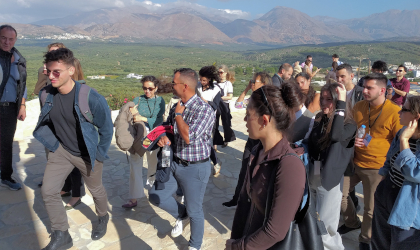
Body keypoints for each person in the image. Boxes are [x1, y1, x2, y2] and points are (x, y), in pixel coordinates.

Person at [33, 48, 113, 249]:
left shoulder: (90, 97)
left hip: (87, 153)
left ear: (70, 70)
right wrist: (53, 145)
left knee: (96, 190)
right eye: (48, 71)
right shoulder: (46, 94)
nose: (50, 76)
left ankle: (103, 217)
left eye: (56, 72)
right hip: (61, 151)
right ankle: (62, 235)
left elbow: (106, 128)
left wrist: (100, 155)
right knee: (49, 191)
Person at [226, 85, 306, 250]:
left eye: (248, 115)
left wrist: (238, 247)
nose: (245, 120)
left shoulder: (289, 166)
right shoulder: (257, 152)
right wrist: (235, 239)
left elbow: (274, 232)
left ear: (264, 120)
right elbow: (244, 204)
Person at [148, 68, 215, 250]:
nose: (171, 85)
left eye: (174, 83)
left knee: (195, 210)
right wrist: (165, 137)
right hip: (175, 163)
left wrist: (178, 115)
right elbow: (171, 130)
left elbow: (189, 137)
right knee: (156, 195)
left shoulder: (204, 110)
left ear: (184, 86)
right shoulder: (178, 105)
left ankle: (195, 245)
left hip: (195, 168)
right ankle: (181, 214)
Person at [339, 73, 403, 250]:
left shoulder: (394, 112)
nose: (364, 91)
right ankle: (352, 222)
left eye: (369, 88)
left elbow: (399, 142)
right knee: (338, 194)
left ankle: (365, 240)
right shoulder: (359, 106)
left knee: (370, 208)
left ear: (382, 90)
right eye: (364, 87)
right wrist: (353, 140)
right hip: (354, 162)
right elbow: (349, 129)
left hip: (377, 167)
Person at [307, 82, 357, 250]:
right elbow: (313, 143)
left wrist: (340, 105)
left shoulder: (349, 125)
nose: (324, 103)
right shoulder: (321, 118)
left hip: (331, 180)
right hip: (315, 174)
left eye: (329, 100)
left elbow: (336, 136)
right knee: (315, 218)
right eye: (322, 98)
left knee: (327, 225)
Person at [371, 96, 420, 250]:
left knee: (400, 244)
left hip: (408, 202)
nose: (399, 112)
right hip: (387, 192)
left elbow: (415, 172)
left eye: (404, 109)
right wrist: (383, 180)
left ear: (416, 116)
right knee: (379, 242)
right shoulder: (401, 132)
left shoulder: (403, 136)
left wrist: (404, 141)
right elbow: (389, 158)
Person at [223, 72, 272, 208]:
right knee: (244, 170)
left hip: (262, 142)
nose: (252, 83)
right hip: (251, 141)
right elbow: (238, 104)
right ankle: (237, 198)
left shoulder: (269, 101)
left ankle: (252, 203)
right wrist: (246, 89)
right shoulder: (252, 98)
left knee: (258, 174)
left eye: (254, 81)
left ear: (264, 84)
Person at [123, 75, 165, 208]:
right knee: (135, 165)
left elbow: (158, 120)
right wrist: (137, 117)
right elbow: (131, 118)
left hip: (152, 137)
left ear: (156, 88)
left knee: (152, 163)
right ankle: (133, 197)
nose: (147, 91)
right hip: (138, 136)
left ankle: (152, 190)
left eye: (150, 89)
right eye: (145, 88)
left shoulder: (160, 101)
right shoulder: (138, 100)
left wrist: (141, 117)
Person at [0, 24, 27, 191]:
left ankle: (6, 176)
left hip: (10, 108)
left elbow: (22, 84)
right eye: (3, 37)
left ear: (15, 40)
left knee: (6, 143)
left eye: (10, 39)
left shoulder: (19, 59)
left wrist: (22, 104)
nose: (7, 41)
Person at [336, 63, 364, 214]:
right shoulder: (335, 92)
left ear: (351, 76)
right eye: (337, 76)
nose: (339, 79)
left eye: (342, 76)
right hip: (342, 138)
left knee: (350, 177)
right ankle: (349, 208)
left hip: (356, 139)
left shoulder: (360, 93)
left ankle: (351, 209)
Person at [60, 57, 86, 210]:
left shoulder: (81, 91)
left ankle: (77, 195)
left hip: (77, 136)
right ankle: (67, 187)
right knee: (67, 165)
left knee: (76, 167)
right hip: (65, 135)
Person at [197, 65, 223, 175]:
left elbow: (216, 106)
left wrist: (206, 101)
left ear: (209, 80)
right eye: (200, 79)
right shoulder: (197, 86)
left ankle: (216, 162)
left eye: (204, 80)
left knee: (206, 142)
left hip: (208, 119)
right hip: (196, 117)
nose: (201, 81)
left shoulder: (216, 90)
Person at [214, 65, 236, 149]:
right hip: (216, 105)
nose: (219, 74)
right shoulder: (214, 83)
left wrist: (219, 98)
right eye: (218, 72)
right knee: (214, 125)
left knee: (226, 124)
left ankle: (227, 140)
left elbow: (230, 96)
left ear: (225, 73)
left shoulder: (228, 83)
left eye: (221, 72)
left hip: (224, 105)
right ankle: (215, 143)